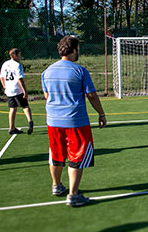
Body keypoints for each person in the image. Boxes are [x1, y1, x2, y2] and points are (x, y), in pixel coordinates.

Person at [41, 35, 107, 207]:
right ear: (73, 50)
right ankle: (73, 195)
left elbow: (47, 96)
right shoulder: (80, 71)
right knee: (76, 156)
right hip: (75, 121)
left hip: (53, 121)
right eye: (78, 49)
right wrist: (101, 113)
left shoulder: (47, 72)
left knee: (56, 153)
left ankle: (56, 186)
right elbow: (91, 95)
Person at [0, 48, 34, 135]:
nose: (20, 57)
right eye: (19, 55)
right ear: (14, 55)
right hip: (17, 89)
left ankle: (11, 128)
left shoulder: (5, 64)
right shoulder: (17, 65)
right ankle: (30, 121)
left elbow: (1, 77)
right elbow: (19, 78)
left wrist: (5, 87)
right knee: (25, 106)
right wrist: (24, 90)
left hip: (9, 90)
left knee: (12, 108)